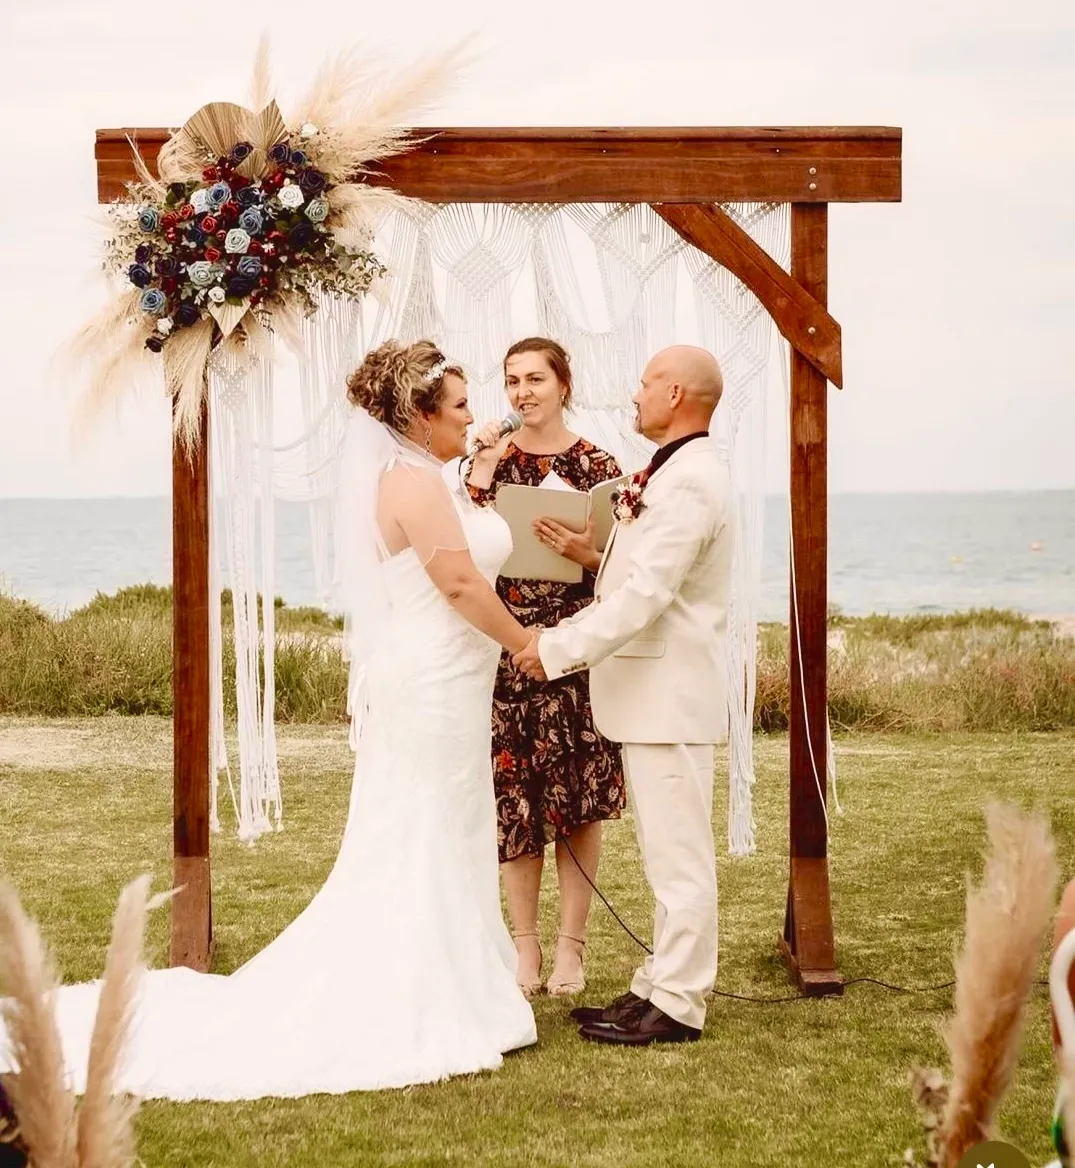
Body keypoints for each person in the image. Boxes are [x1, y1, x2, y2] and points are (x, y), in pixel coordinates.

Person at [0, 340, 537, 1099]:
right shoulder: (411, 484)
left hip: (448, 678)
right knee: (423, 824)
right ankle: (422, 988)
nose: (473, 415)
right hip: (431, 679)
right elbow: (454, 579)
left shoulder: (430, 477)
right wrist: (524, 644)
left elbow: (462, 542)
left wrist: (474, 470)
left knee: (449, 822)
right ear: (418, 418)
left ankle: (466, 975)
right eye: (458, 406)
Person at [513, 344, 732, 1046]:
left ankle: (677, 1004)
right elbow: (632, 571)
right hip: (648, 695)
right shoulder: (669, 474)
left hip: (668, 695)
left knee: (679, 860)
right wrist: (591, 555)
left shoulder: (692, 481)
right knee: (665, 856)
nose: (633, 396)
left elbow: (645, 596)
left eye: (643, 384)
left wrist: (554, 648)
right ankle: (654, 986)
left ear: (674, 394)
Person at [466, 337, 626, 998]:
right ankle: (524, 951)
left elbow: (630, 573)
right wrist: (480, 465)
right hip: (508, 656)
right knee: (517, 804)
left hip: (576, 655)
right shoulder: (492, 465)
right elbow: (462, 554)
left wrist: (588, 555)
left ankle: (571, 950)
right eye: (512, 381)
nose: (523, 392)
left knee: (579, 805)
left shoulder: (597, 465)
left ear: (563, 384)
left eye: (535, 378)